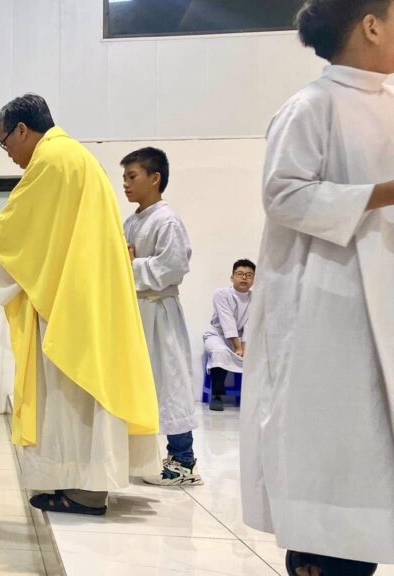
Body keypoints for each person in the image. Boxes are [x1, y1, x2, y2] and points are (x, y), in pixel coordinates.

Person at [0, 94, 160, 515]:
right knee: (79, 390)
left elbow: (16, 225)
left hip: (73, 302)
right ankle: (83, 484)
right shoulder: (74, 157)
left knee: (71, 390)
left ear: (22, 130)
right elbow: (46, 242)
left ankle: (86, 490)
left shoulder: (52, 159)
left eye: (5, 143)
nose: (8, 154)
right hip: (81, 290)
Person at [240, 1, 394, 574]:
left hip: (383, 293)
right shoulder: (311, 106)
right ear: (371, 25)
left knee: (372, 453)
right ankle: (316, 559)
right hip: (327, 303)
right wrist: (385, 192)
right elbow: (283, 195)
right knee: (333, 441)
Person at [119, 147, 201, 487]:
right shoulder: (131, 221)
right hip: (136, 310)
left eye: (132, 176)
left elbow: (174, 266)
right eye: (124, 177)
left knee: (170, 382)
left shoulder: (166, 220)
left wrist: (131, 264)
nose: (125, 184)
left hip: (159, 311)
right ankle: (141, 456)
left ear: (155, 178)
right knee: (141, 383)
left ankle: (184, 461)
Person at [203, 259, 255, 412]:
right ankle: (217, 396)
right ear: (232, 277)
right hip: (218, 335)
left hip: (243, 338)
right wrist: (238, 347)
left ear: (254, 279)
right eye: (240, 274)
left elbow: (250, 325)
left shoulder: (256, 297)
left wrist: (244, 348)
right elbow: (227, 321)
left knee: (258, 355)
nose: (244, 278)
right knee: (220, 352)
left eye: (249, 275)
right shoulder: (221, 294)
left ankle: (252, 397)